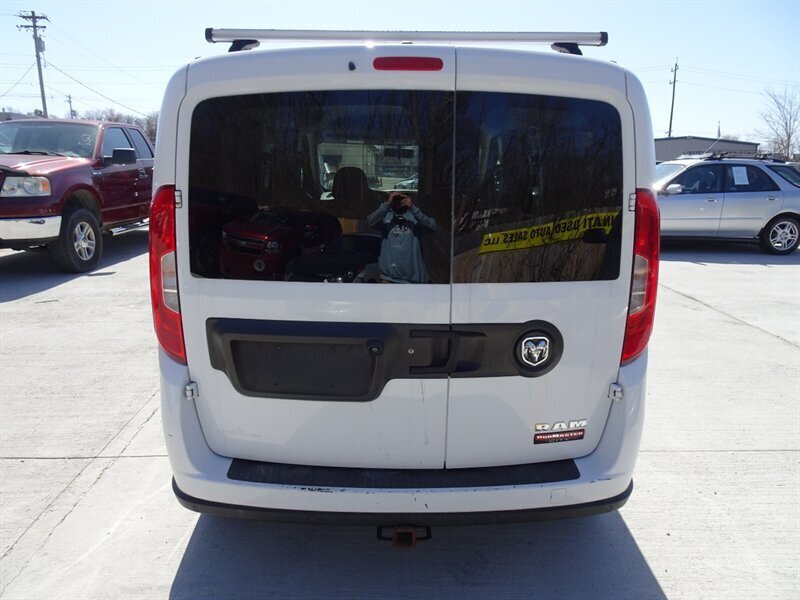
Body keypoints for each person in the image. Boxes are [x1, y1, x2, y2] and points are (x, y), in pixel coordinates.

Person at [366, 191, 438, 283]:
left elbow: (433, 226)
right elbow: (370, 221)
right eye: (396, 197)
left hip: (412, 280)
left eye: (402, 197)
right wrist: (387, 204)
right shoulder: (385, 217)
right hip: (389, 278)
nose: (399, 200)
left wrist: (413, 208)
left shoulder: (414, 218)